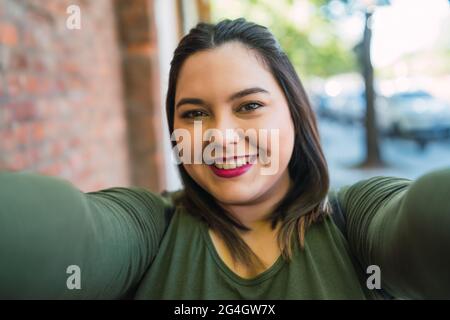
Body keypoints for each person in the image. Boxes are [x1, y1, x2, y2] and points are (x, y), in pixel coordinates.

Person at [0, 18, 449, 300]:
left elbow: (425, 220)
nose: (219, 136)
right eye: (194, 113)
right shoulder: (149, 229)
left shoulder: (356, 223)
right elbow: (64, 235)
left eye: (249, 106)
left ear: (293, 113)